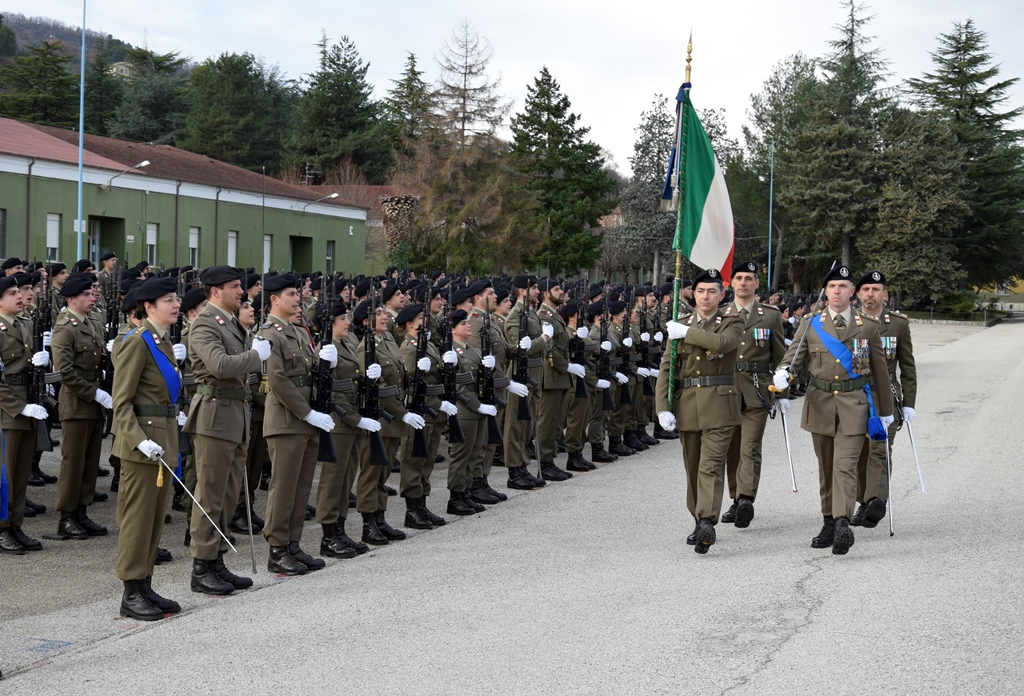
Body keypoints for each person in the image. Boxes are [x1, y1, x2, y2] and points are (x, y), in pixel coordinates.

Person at [773, 265, 894, 555]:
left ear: (852, 291)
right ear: (825, 291)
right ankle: (828, 520)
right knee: (826, 468)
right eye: (832, 286)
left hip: (855, 406)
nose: (837, 291)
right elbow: (794, 361)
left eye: (843, 286)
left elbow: (879, 372)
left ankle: (842, 522)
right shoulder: (811, 323)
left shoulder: (867, 325)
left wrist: (886, 411)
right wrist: (782, 376)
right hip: (821, 404)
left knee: (845, 465)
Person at [184, 266, 268, 593]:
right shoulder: (205, 323)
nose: (241, 293)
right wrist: (254, 357)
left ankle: (217, 560)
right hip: (215, 416)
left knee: (228, 496)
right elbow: (218, 366)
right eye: (235, 287)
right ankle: (201, 567)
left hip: (235, 416)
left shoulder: (231, 324)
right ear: (215, 291)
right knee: (210, 495)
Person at [109, 276, 184, 620]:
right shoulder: (137, 342)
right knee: (138, 519)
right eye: (168, 300)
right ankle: (130, 592)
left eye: (176, 298)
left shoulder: (162, 340)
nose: (176, 304)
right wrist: (139, 439)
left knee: (154, 519)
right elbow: (121, 402)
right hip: (143, 444)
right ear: (149, 307)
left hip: (164, 439)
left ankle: (145, 584)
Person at [655, 268, 744, 554]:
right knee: (692, 467)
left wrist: (688, 333)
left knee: (710, 466)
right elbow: (667, 368)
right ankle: (697, 518)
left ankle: (707, 519)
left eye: (712, 291)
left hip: (719, 404)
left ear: (721, 295)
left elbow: (723, 344)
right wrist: (662, 408)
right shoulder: (678, 324)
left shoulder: (732, 321)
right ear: (693, 293)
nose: (706, 296)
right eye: (701, 291)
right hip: (688, 404)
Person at [258, 273, 333, 574]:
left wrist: (327, 361)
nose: (298, 299)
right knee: (284, 487)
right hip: (287, 419)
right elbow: (276, 379)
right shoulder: (269, 333)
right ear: (275, 299)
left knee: (302, 487)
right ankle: (277, 549)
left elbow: (309, 370)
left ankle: (293, 544)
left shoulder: (300, 331)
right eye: (291, 294)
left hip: (305, 419)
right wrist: (306, 412)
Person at [722, 261, 788, 529]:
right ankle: (735, 498)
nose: (743, 283)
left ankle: (746, 498)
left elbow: (780, 357)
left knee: (750, 446)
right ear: (731, 282)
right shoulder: (720, 313)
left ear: (756, 284)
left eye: (749, 278)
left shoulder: (770, 316)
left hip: (757, 390)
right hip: (725, 389)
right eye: (739, 278)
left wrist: (781, 391)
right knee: (731, 448)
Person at [47, 272, 110, 541]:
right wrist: (94, 393)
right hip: (76, 403)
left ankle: (82, 511)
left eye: (92, 293)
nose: (91, 297)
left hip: (94, 403)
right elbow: (66, 372)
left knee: (90, 461)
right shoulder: (65, 327)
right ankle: (66, 516)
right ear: (72, 298)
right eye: (86, 294)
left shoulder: (93, 322)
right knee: (73, 463)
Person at [853, 271, 917, 528]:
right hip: (856, 394)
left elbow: (908, 368)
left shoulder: (898, 324)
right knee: (858, 452)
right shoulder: (848, 322)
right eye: (865, 289)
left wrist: (910, 403)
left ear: (885, 294)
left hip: (886, 396)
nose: (870, 294)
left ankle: (876, 500)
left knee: (880, 449)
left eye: (876, 289)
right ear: (857, 294)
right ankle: (862, 501)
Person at [314, 301, 376, 557]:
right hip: (338, 422)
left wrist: (369, 376)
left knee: (345, 479)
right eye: (343, 318)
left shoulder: (348, 343)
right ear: (330, 322)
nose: (348, 321)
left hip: (350, 421)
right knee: (332, 481)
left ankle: (339, 529)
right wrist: (355, 419)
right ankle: (328, 537)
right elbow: (328, 393)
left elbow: (352, 380)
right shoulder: (324, 350)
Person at [0, 275, 51, 554]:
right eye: (12, 293)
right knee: (5, 473)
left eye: (20, 291)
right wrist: (19, 406)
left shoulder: (25, 324)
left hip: (29, 406)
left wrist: (46, 358)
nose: (19, 296)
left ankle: (15, 525)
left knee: (20, 474)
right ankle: (1, 527)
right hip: (8, 411)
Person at [395, 302, 449, 528]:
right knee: (413, 460)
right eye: (420, 319)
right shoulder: (409, 349)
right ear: (409, 324)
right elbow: (406, 383)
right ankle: (412, 509)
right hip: (419, 410)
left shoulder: (427, 345)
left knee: (427, 459)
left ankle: (422, 504)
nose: (425, 322)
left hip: (433, 408)